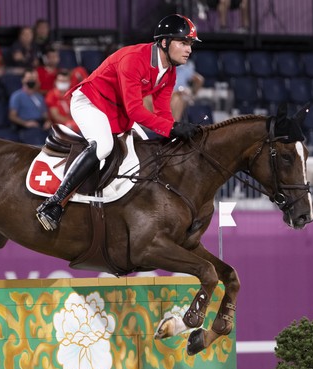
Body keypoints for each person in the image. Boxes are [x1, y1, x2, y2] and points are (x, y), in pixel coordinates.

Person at [36, 14, 202, 231]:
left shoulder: (169, 73)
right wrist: (172, 128)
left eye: (190, 44)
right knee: (103, 146)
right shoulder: (134, 59)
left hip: (117, 110)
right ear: (164, 42)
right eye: (184, 42)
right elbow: (136, 110)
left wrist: (176, 133)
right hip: (90, 102)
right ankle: (54, 203)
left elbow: (163, 114)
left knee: (147, 152)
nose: (189, 49)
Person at [8, 68, 51, 145]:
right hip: (27, 128)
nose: (31, 80)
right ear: (23, 80)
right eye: (29, 78)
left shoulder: (39, 96)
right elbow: (12, 116)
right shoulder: (17, 96)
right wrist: (26, 123)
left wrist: (48, 121)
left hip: (41, 126)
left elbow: (45, 114)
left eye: (33, 78)